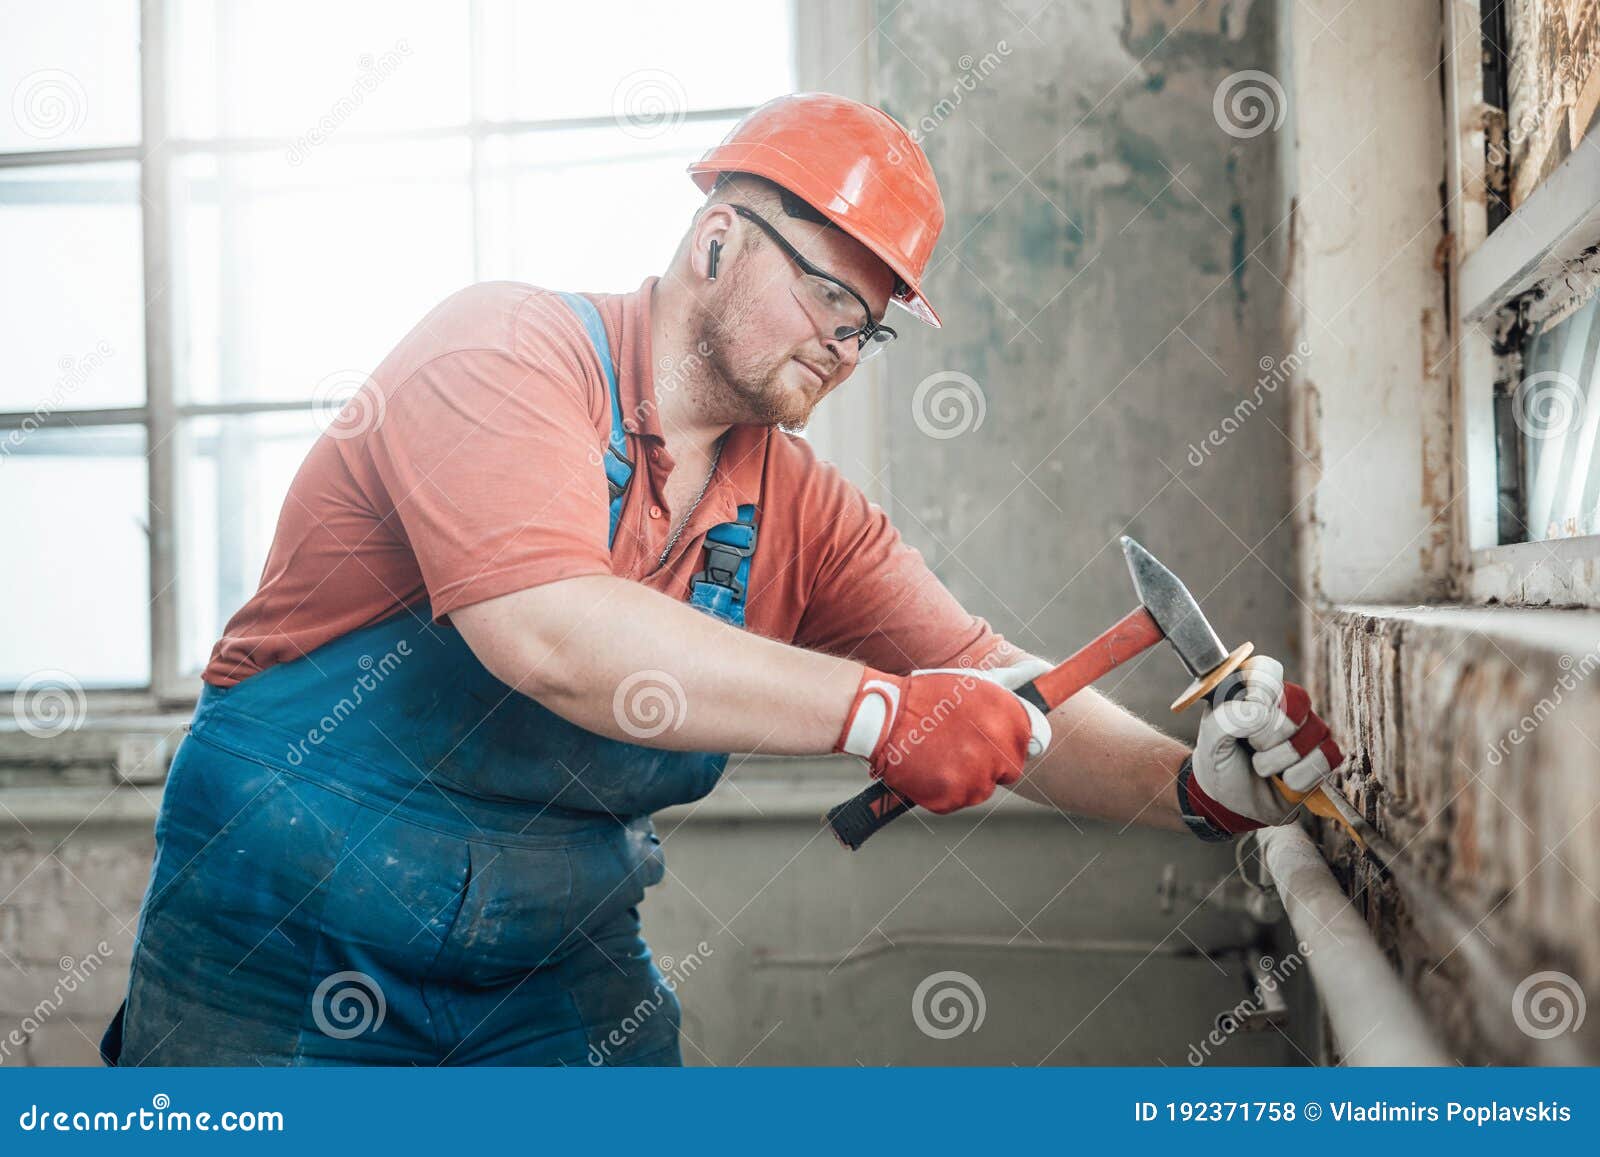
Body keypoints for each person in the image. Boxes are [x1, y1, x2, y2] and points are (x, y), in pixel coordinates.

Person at [103, 93, 1341, 1066]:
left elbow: (996, 683)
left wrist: (1195, 791)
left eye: (870, 326)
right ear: (713, 238)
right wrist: (875, 711)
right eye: (825, 294)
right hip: (277, 957)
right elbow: (548, 631)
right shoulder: (506, 350)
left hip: (552, 984)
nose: (844, 346)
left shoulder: (804, 505)